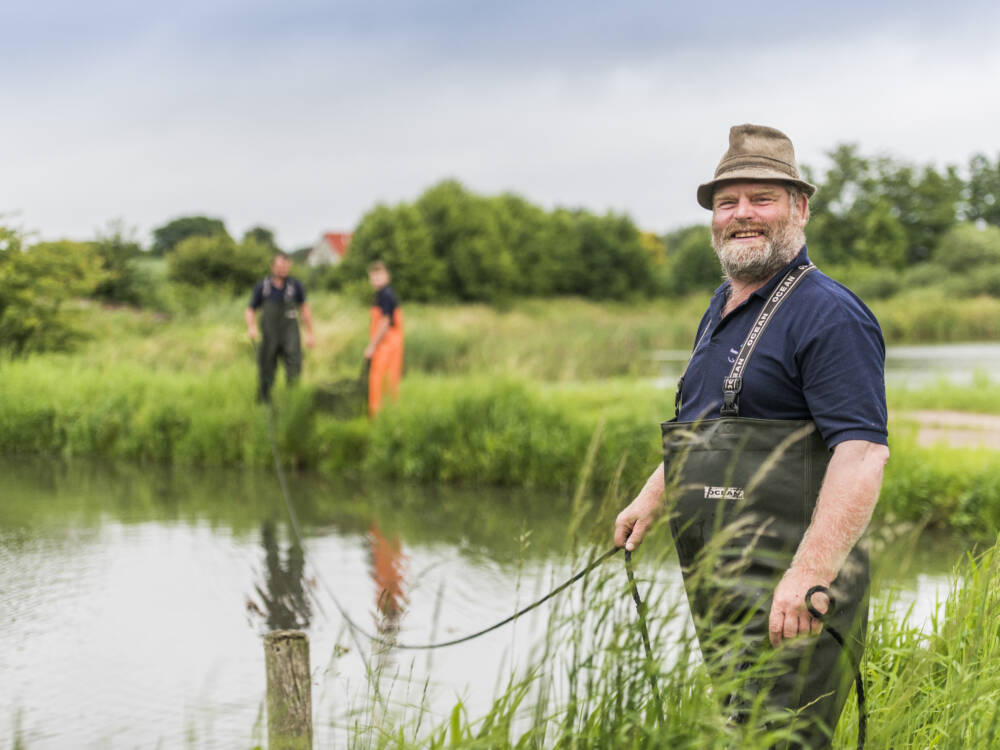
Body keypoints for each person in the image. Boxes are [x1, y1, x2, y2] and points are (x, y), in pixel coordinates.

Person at [613, 124, 890, 747]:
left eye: (760, 198)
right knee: (741, 733)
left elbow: (864, 452)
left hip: (793, 586)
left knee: (786, 737)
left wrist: (809, 574)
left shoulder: (829, 313)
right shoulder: (723, 303)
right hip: (721, 581)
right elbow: (709, 423)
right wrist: (652, 497)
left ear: (799, 207)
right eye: (726, 202)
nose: (741, 215)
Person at [245, 252, 315, 402]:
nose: (282, 269)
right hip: (270, 336)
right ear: (273, 266)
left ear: (289, 267)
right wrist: (251, 327)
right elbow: (250, 309)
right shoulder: (263, 287)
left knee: (294, 367)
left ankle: (292, 400)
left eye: (285, 266)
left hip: (290, 335)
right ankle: (264, 401)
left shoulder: (295, 286)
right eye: (279, 266)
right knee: (266, 367)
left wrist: (310, 333)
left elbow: (305, 309)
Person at [364, 260, 404, 417]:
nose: (376, 280)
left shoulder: (385, 295)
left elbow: (385, 322)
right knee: (388, 382)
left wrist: (372, 346)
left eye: (379, 276)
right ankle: (388, 415)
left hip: (386, 345)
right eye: (373, 278)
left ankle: (378, 417)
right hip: (390, 345)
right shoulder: (383, 294)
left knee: (380, 381)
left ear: (387, 276)